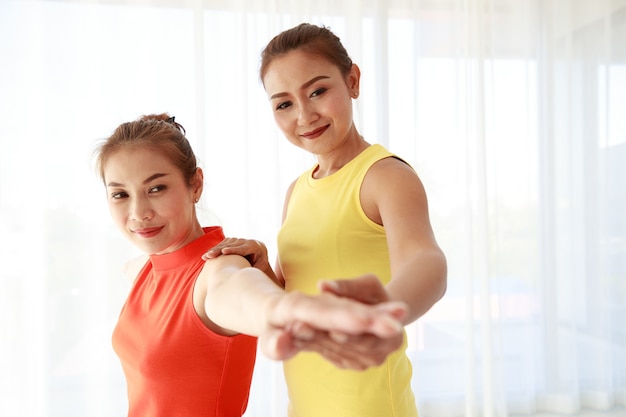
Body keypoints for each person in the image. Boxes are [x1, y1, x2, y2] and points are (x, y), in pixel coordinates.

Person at [93, 113, 409, 417]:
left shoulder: (218, 269)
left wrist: (299, 314)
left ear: (195, 185)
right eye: (120, 195)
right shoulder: (139, 271)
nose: (139, 212)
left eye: (156, 188)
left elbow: (256, 300)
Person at [205, 23, 448, 417]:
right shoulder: (297, 191)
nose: (305, 115)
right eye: (284, 104)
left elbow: (427, 261)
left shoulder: (385, 176)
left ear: (352, 80)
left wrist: (381, 311)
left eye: (318, 91)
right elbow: (291, 297)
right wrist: (263, 265)